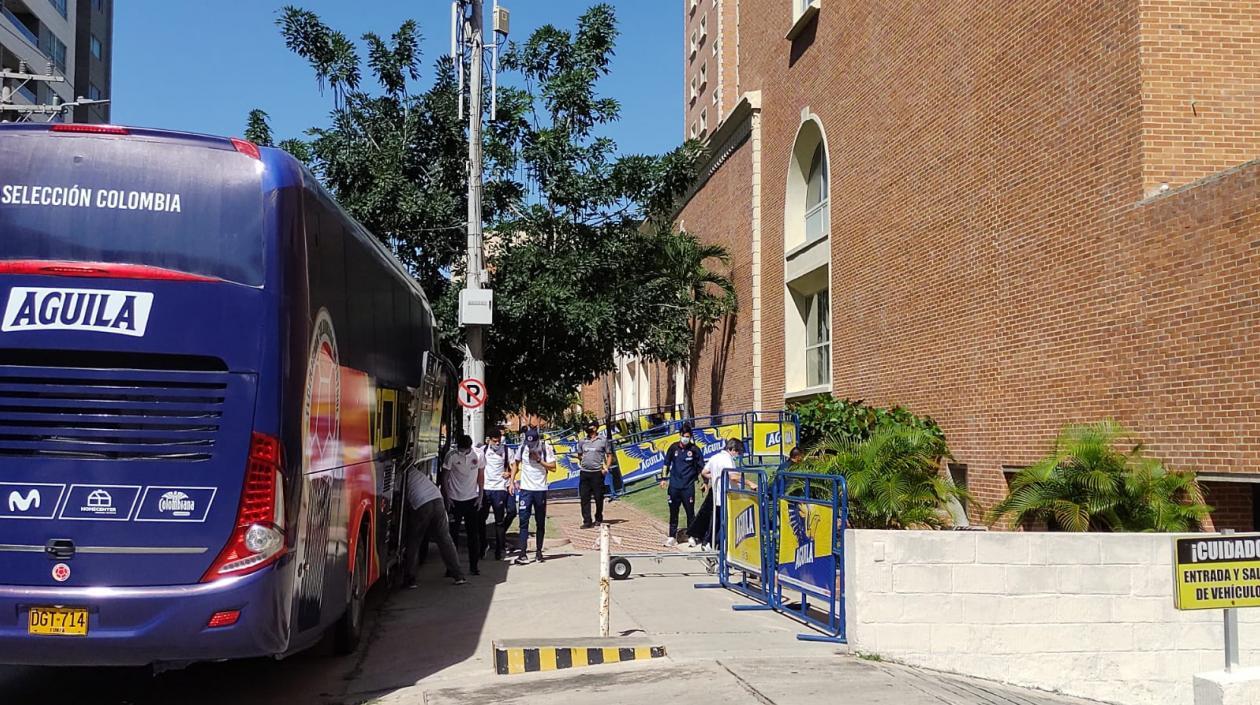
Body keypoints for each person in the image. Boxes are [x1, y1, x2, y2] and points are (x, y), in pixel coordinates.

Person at [403, 463, 467, 587]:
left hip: (422, 504)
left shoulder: (398, 475)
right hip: (437, 499)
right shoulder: (415, 472)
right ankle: (458, 575)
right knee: (445, 539)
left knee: (414, 541)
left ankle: (410, 579)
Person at [689, 437, 744, 550]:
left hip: (716, 496)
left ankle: (708, 543)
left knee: (716, 521)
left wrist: (715, 476)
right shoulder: (727, 459)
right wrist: (748, 482)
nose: (737, 454)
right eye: (737, 452)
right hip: (726, 496)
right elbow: (733, 476)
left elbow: (704, 472)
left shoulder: (714, 457)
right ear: (732, 449)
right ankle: (718, 545)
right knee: (723, 522)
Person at [441, 434, 484, 576]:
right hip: (455, 499)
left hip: (472, 498)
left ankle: (474, 566)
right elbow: (445, 477)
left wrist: (480, 495)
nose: (463, 452)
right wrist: (447, 498)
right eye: (461, 450)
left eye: (465, 450)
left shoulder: (478, 455)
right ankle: (451, 567)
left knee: (473, 534)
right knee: (452, 535)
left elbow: (481, 475)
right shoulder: (451, 455)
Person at [512, 426, 556, 564]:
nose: (531, 446)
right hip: (526, 489)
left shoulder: (545, 448)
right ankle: (523, 553)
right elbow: (516, 463)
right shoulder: (523, 447)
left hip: (540, 489)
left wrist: (539, 460)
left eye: (533, 444)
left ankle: (538, 552)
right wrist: (511, 481)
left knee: (540, 521)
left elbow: (553, 467)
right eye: (529, 443)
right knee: (523, 521)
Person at [659, 423, 704, 547]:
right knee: (673, 512)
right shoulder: (673, 448)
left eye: (688, 436)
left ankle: (692, 537)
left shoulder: (694, 450)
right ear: (680, 436)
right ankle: (672, 537)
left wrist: (705, 482)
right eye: (684, 436)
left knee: (690, 513)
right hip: (674, 487)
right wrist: (663, 478)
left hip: (688, 487)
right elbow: (666, 464)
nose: (685, 438)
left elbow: (701, 468)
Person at [478, 428, 516, 560]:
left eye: (499, 441)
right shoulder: (482, 451)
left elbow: (514, 465)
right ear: (489, 440)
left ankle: (499, 550)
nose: (497, 443)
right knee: (480, 519)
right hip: (485, 489)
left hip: (499, 489)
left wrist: (510, 476)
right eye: (495, 441)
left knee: (499, 521)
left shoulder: (506, 450)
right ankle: (483, 545)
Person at [574, 420, 612, 528]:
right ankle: (587, 521)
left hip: (597, 474)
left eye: (589, 426)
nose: (587, 428)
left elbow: (609, 455)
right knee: (584, 498)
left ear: (595, 428)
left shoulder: (603, 441)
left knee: (599, 497)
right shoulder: (582, 441)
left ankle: (598, 518)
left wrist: (606, 468)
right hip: (585, 473)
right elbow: (580, 454)